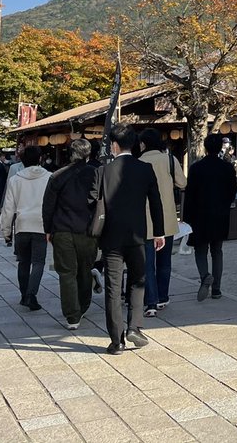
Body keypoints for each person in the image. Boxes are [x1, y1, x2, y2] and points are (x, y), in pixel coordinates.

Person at [92, 123, 165, 355]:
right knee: (137, 280)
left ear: (113, 145)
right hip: (137, 235)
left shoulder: (102, 171)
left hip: (110, 236)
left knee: (114, 288)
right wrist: (159, 232)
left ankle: (116, 340)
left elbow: (92, 202)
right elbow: (156, 202)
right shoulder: (144, 169)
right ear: (134, 144)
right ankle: (134, 326)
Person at [43, 137, 99, 329]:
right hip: (88, 230)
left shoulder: (57, 176)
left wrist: (48, 230)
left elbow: (48, 206)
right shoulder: (96, 174)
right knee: (85, 269)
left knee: (66, 272)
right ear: (89, 153)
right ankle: (82, 306)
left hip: (62, 229)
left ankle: (72, 315)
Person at [184, 133, 237, 302]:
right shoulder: (228, 168)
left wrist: (186, 218)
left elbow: (190, 194)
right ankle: (217, 289)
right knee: (217, 251)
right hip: (221, 214)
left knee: (200, 250)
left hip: (200, 215)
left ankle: (205, 276)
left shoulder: (196, 168)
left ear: (206, 148)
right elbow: (232, 191)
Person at [138, 128, 186, 317]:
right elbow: (182, 183)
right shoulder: (169, 160)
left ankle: (151, 301)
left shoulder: (138, 162)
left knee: (147, 263)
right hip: (166, 218)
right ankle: (163, 296)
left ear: (143, 144)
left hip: (144, 220)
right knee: (165, 261)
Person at [0, 144, 52, 310]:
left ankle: (24, 295)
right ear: (40, 159)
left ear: (21, 159)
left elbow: (8, 208)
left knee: (23, 262)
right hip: (41, 225)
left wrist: (6, 231)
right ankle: (31, 294)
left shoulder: (16, 179)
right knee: (38, 262)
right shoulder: (50, 177)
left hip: (22, 224)